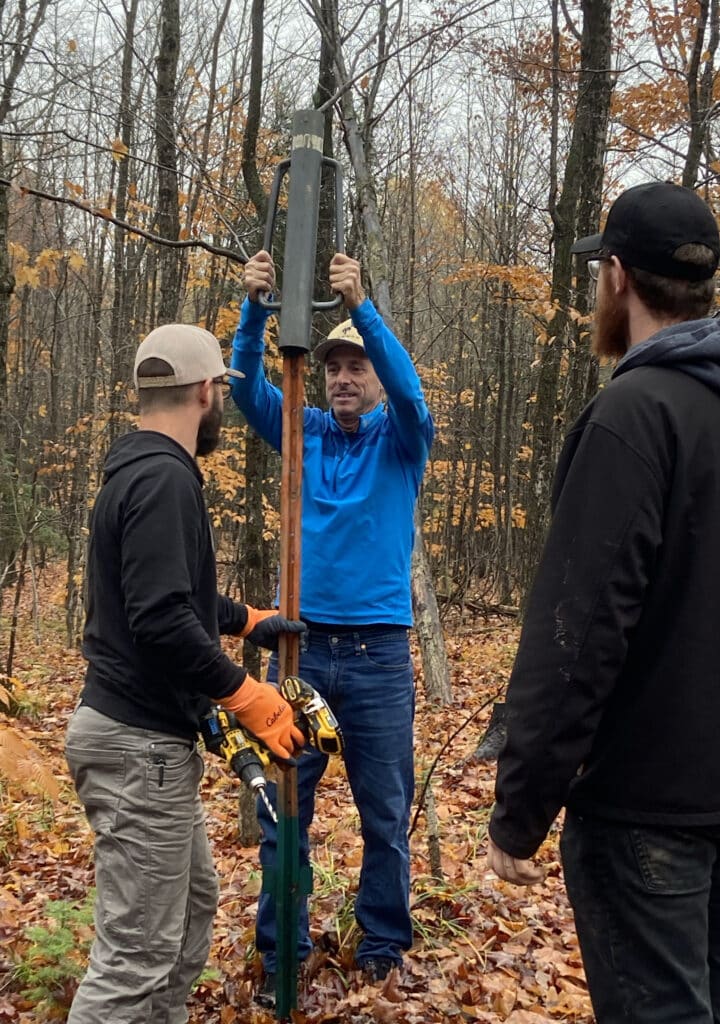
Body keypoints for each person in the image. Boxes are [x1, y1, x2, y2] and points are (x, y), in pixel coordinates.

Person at [487, 181, 720, 1023]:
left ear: (616, 276)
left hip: (644, 805)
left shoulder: (633, 417)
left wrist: (520, 809)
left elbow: (576, 636)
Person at [64, 323, 306, 1024]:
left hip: (143, 744)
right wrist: (248, 696)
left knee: (190, 915)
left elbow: (165, 594)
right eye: (221, 396)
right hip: (138, 747)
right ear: (206, 391)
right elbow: (161, 619)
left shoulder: (136, 473)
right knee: (135, 957)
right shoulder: (164, 479)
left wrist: (244, 619)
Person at [230, 250, 434, 1002]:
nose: (346, 377)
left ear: (375, 376)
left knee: (384, 814)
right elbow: (243, 387)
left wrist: (365, 309)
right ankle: (281, 949)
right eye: (335, 367)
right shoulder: (302, 431)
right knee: (286, 809)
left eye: (358, 366)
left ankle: (383, 947)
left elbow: (413, 397)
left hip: (379, 656)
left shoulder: (402, 440)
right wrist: (253, 312)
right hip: (303, 650)